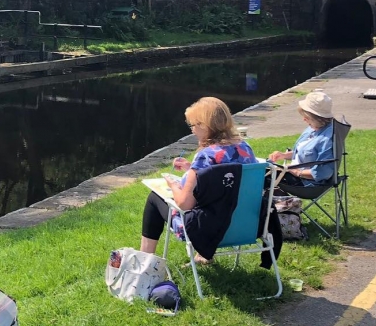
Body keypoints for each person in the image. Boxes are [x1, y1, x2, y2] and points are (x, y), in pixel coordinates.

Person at [140, 97, 257, 262]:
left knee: (154, 198)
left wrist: (173, 185)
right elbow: (225, 179)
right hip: (245, 224)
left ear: (206, 125)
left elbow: (184, 204)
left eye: (194, 125)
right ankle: (203, 256)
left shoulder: (206, 156)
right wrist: (191, 169)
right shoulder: (244, 148)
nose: (192, 130)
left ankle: (145, 261)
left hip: (207, 228)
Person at [268, 91, 334, 186]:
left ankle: (273, 200)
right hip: (292, 172)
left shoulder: (327, 139)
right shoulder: (312, 128)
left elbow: (324, 173)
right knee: (262, 170)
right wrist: (283, 155)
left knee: (262, 178)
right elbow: (304, 155)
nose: (304, 119)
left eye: (306, 117)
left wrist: (297, 172)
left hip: (306, 182)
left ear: (317, 118)